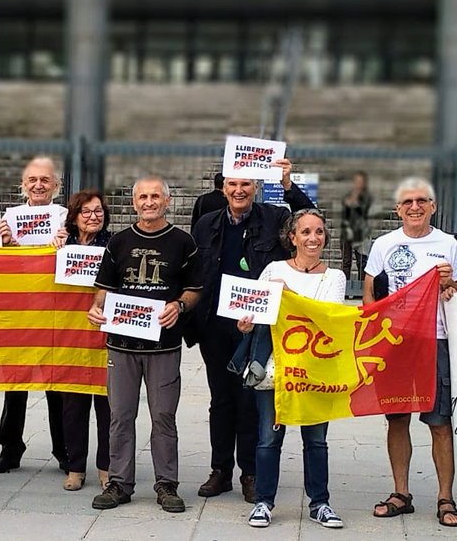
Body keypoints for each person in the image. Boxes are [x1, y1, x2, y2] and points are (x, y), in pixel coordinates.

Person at [190, 161, 314, 502]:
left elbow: (310, 221)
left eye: (246, 184)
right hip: (215, 324)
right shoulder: (206, 223)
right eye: (232, 184)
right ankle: (220, 471)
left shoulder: (273, 218)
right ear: (223, 188)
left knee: (249, 399)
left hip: (256, 327)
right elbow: (193, 268)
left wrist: (288, 185)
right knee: (221, 399)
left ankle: (250, 473)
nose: (239, 190)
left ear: (255, 187)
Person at [88, 177, 203, 514]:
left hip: (163, 346)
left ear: (166, 202)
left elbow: (195, 289)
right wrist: (97, 307)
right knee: (120, 416)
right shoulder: (119, 242)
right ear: (134, 202)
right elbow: (104, 288)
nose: (149, 202)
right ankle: (119, 483)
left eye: (155, 196)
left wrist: (179, 306)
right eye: (143, 197)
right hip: (122, 345)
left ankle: (167, 484)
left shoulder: (183, 242)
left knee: (163, 416)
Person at [364, 177, 457, 527]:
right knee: (396, 418)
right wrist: (375, 336)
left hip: (435, 340)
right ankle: (401, 493)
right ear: (398, 209)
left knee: (440, 422)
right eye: (407, 202)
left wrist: (451, 283)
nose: (415, 207)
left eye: (422, 201)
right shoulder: (383, 244)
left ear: (433, 206)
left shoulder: (448, 243)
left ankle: (445, 497)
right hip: (396, 342)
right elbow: (369, 294)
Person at [242, 208, 346, 529]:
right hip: (276, 368)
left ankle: (320, 503)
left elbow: (327, 319)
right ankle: (263, 501)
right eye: (305, 232)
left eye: (318, 232)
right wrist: (246, 322)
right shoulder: (273, 269)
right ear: (292, 238)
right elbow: (257, 311)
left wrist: (290, 295)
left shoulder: (335, 277)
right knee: (268, 438)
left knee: (316, 440)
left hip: (315, 371)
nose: (313, 238)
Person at [0, 156, 68, 475]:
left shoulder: (66, 218)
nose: (38, 185)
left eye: (45, 180)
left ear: (56, 186)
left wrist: (65, 244)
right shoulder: (8, 219)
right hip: (19, 312)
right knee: (15, 383)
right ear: (23, 186)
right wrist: (5, 244)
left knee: (57, 384)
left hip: (54, 312)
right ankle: (10, 449)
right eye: (32, 180)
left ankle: (64, 449)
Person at [50, 189, 113, 491]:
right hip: (70, 338)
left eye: (98, 211)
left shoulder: (115, 245)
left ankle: (107, 467)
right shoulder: (61, 245)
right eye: (86, 212)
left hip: (106, 334)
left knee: (108, 407)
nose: (93, 217)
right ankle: (75, 467)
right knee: (72, 407)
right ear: (73, 217)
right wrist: (51, 248)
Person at [340, 171, 372, 280]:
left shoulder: (367, 197)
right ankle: (345, 287)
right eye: (356, 181)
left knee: (362, 261)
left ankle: (361, 287)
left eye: (360, 181)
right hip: (346, 231)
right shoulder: (347, 195)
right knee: (346, 261)